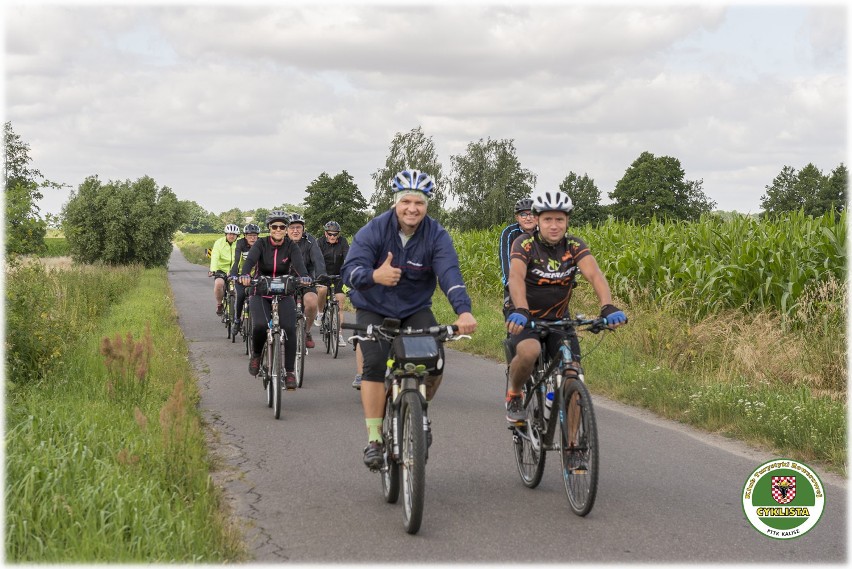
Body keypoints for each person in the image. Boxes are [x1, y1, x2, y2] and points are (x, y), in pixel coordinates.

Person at [341, 169, 478, 470]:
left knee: (435, 359)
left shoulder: (436, 235)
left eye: (419, 202)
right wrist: (374, 275)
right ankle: (375, 439)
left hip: (413, 308)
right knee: (375, 363)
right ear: (395, 203)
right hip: (373, 306)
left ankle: (419, 412)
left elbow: (449, 274)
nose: (412, 209)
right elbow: (349, 271)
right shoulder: (374, 230)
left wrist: (463, 310)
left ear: (427, 205)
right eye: (406, 202)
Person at [504, 190, 627, 425]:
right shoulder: (525, 244)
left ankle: (574, 450)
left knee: (572, 376)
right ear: (538, 220)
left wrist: (608, 306)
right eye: (548, 219)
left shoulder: (574, 245)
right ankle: (515, 394)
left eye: (559, 219)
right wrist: (520, 309)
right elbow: (516, 277)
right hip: (525, 315)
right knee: (530, 352)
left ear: (567, 221)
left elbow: (595, 274)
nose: (554, 225)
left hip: (559, 318)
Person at [234, 211, 309, 390]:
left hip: (284, 292)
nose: (278, 230)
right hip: (260, 291)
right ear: (269, 228)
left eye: (282, 227)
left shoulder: (291, 246)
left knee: (290, 327)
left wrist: (305, 277)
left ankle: (289, 372)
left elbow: (299, 265)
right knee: (260, 325)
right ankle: (257, 356)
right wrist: (245, 274)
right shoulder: (261, 243)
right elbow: (250, 260)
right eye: (274, 227)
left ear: (286, 230)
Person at [285, 213, 326, 349]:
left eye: (298, 227)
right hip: (285, 280)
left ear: (303, 229)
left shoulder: (310, 241)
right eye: (292, 227)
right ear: (287, 229)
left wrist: (321, 277)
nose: (295, 230)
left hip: (306, 280)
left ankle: (307, 331)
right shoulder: (281, 241)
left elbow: (318, 260)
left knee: (312, 302)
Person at [499, 197, 537, 316]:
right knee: (512, 312)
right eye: (523, 214)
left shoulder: (545, 232)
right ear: (517, 217)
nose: (528, 218)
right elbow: (505, 259)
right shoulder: (509, 232)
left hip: (539, 281)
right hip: (515, 279)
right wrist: (510, 283)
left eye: (531, 214)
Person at [316, 220, 350, 349]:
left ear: (338, 235)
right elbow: (316, 259)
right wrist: (319, 274)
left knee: (340, 303)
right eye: (330, 234)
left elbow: (348, 256)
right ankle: (319, 313)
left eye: (335, 235)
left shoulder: (343, 242)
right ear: (325, 233)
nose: (332, 237)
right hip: (323, 275)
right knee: (322, 291)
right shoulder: (319, 242)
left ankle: (339, 334)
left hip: (337, 275)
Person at [230, 223, 261, 334]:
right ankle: (237, 320)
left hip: (257, 276)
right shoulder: (240, 244)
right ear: (245, 236)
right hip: (241, 276)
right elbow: (237, 260)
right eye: (249, 235)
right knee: (241, 295)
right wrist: (234, 274)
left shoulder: (261, 244)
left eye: (255, 235)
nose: (252, 238)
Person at [208, 224, 240, 316]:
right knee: (219, 284)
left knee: (238, 290)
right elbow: (215, 256)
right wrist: (213, 270)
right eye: (229, 234)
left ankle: (239, 313)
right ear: (226, 234)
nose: (231, 236)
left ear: (237, 235)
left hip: (234, 269)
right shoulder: (219, 243)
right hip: (221, 269)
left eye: (234, 234)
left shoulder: (240, 243)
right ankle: (219, 304)